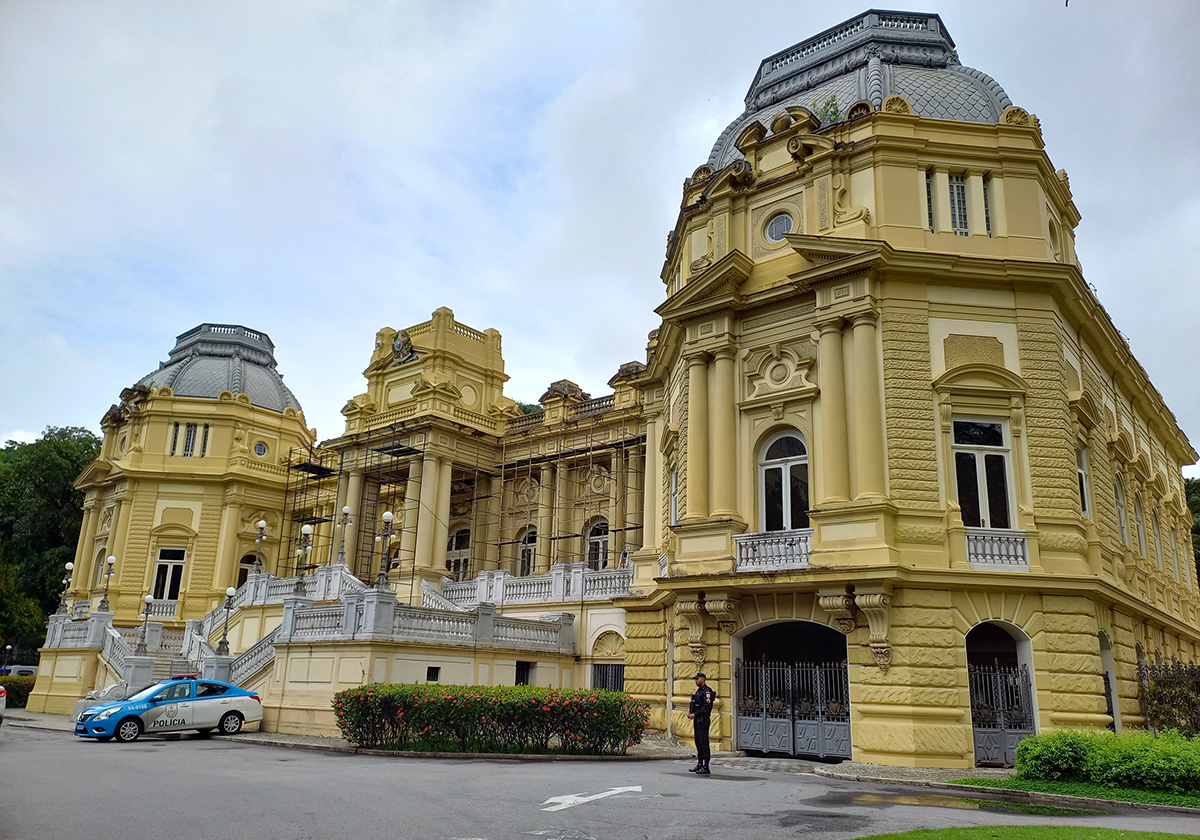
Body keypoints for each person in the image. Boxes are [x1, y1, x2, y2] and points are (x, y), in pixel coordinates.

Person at [687, 672, 716, 775]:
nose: (696, 680)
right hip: (697, 720)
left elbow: (707, 707)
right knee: (698, 742)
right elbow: (695, 703)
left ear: (703, 679)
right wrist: (690, 712)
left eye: (697, 679)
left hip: (703, 720)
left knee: (704, 743)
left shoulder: (707, 692)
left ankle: (706, 766)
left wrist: (695, 714)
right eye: (695, 679)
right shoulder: (699, 691)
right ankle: (699, 763)